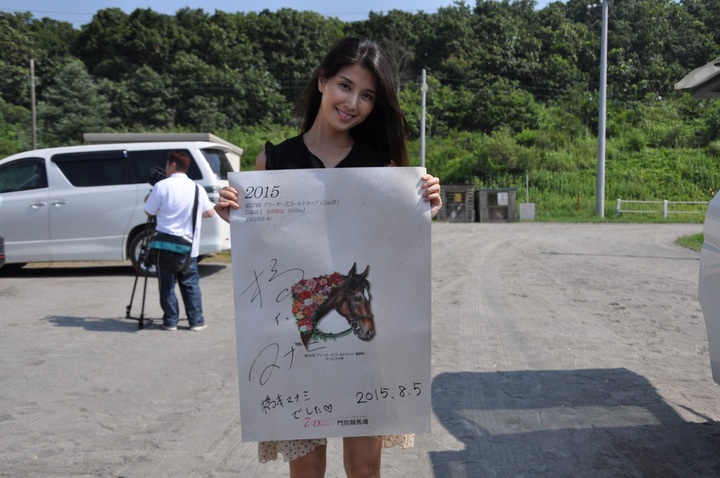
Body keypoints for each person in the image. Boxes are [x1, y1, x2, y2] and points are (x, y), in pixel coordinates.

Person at [215, 37, 442, 477]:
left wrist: (422, 212)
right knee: (307, 473)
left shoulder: (383, 167)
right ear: (322, 82)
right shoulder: (273, 161)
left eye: (367, 95)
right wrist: (236, 220)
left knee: (364, 471)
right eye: (345, 86)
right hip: (295, 341)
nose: (353, 103)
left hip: (363, 345)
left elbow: (393, 252)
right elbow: (265, 257)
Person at [145, 150, 215, 331]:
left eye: (167, 165)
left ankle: (170, 321)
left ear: (173, 165)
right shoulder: (197, 188)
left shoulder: (161, 186)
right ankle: (196, 321)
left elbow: (149, 211)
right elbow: (209, 212)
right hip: (189, 246)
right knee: (190, 284)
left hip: (164, 246)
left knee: (166, 285)